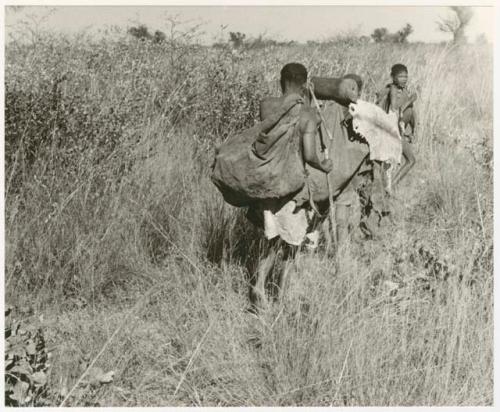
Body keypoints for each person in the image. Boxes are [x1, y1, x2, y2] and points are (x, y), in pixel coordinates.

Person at [376, 63, 416, 189]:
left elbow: (410, 114)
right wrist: (410, 100)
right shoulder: (393, 89)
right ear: (393, 77)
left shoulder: (403, 90)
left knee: (409, 161)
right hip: (391, 130)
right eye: (400, 76)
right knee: (407, 161)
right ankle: (388, 188)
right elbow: (394, 109)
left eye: (405, 76)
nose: (404, 79)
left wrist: (413, 131)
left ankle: (389, 187)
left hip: (399, 131)